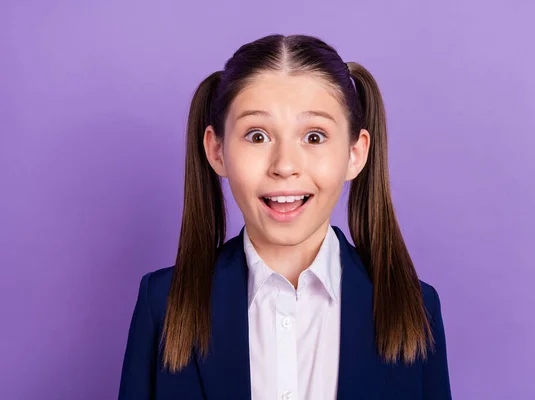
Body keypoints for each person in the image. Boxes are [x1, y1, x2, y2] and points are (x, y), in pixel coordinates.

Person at [118, 34, 451, 400]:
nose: (285, 166)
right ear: (217, 151)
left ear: (355, 153)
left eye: (314, 136)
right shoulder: (161, 304)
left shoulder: (416, 308)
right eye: (257, 136)